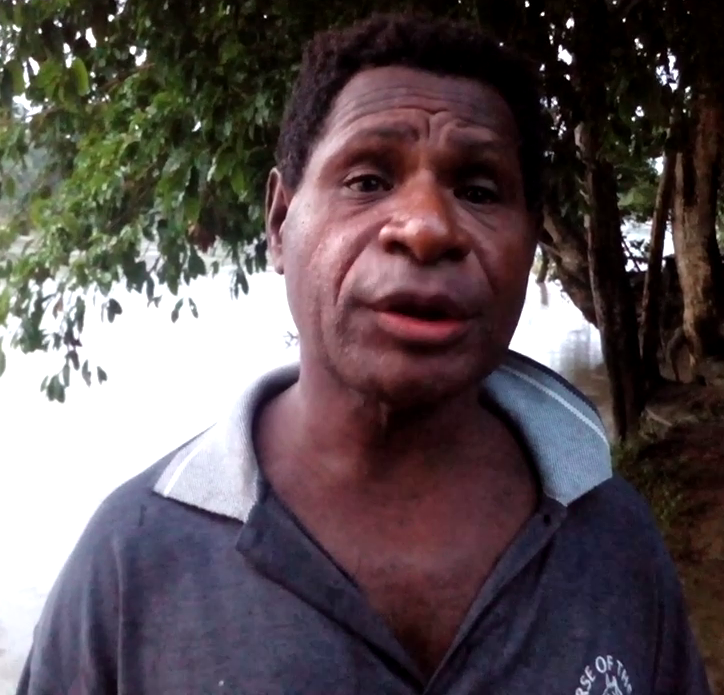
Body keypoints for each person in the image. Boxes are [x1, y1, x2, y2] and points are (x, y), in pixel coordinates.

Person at [17, 13, 711, 695]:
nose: (427, 228)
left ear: (531, 242)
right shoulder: (130, 560)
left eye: (478, 189)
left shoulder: (613, 536)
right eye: (368, 180)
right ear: (280, 219)